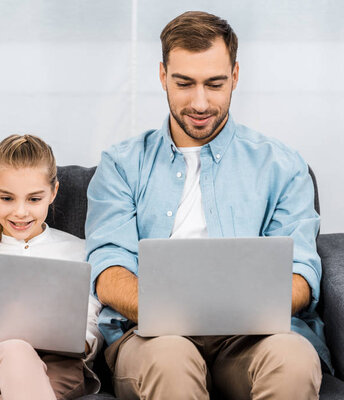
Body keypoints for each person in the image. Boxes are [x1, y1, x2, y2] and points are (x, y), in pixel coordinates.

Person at [85, 11, 331, 400]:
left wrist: (242, 312)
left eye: (214, 84)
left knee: (293, 361)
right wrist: (172, 312)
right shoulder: (120, 165)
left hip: (255, 339)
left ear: (235, 76)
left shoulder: (282, 165)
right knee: (170, 359)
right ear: (163, 76)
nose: (200, 102)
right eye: (185, 83)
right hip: (154, 337)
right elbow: (109, 267)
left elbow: (301, 271)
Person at [0, 134, 103, 400]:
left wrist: (78, 340)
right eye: (7, 198)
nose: (20, 212)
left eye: (33, 199)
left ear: (53, 193)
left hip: (59, 365)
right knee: (16, 352)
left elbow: (90, 325)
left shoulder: (79, 251)